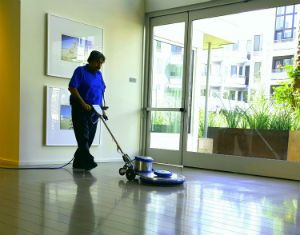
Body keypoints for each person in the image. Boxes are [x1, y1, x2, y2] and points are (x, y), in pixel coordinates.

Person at [69, 50, 107, 170]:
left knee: (89, 137)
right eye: (97, 62)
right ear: (90, 60)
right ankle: (89, 162)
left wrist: (102, 110)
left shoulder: (99, 75)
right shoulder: (81, 71)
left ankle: (78, 163)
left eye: (101, 63)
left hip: (95, 110)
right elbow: (72, 88)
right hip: (80, 108)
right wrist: (83, 103)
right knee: (83, 137)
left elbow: (100, 92)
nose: (99, 66)